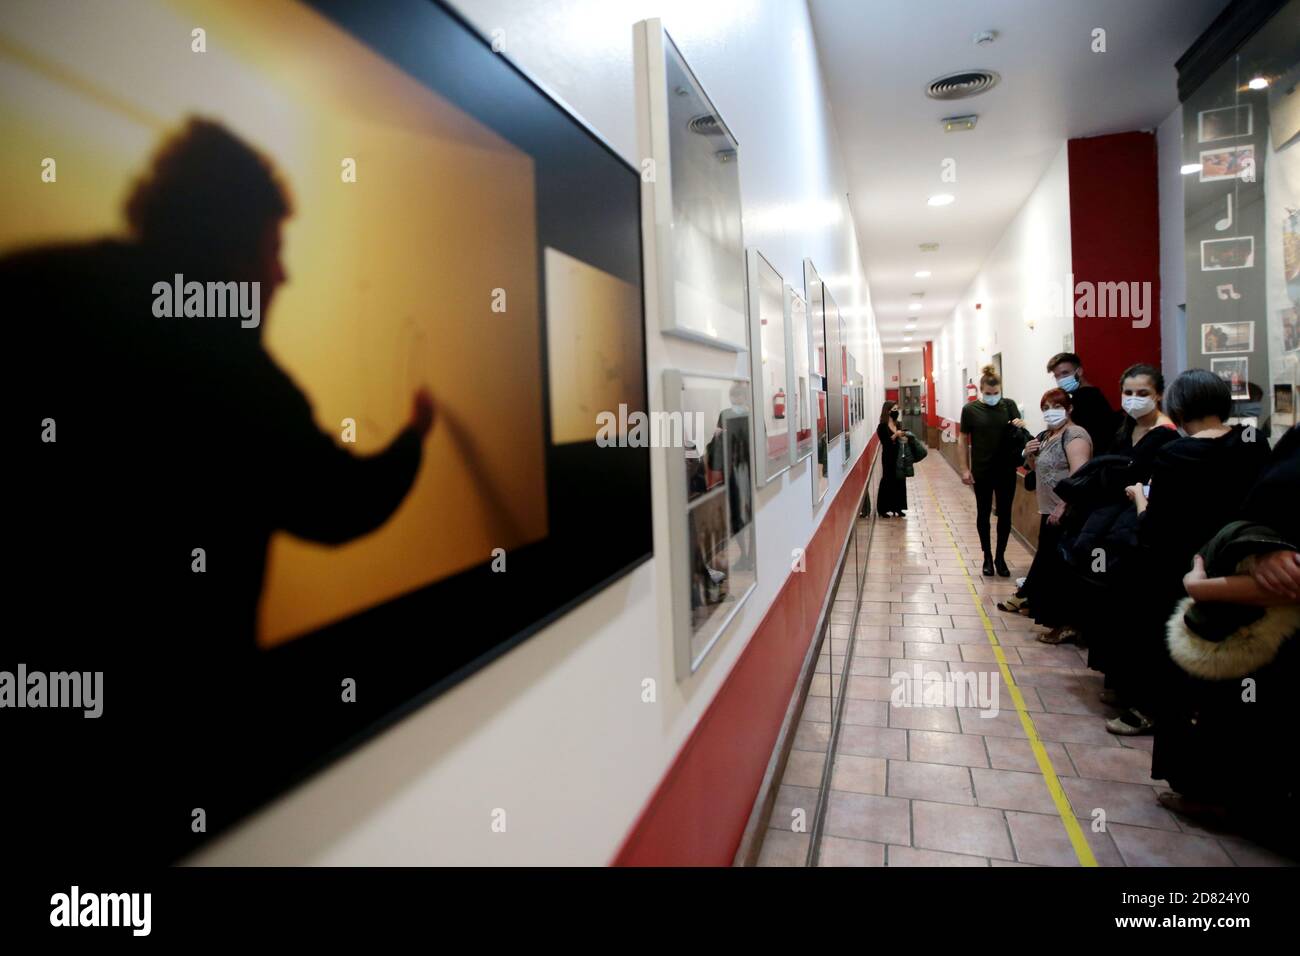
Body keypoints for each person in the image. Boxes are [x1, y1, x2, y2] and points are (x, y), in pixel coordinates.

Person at [5, 118, 437, 863]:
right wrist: (414, 436)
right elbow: (340, 504)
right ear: (227, 241)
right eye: (272, 249)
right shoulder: (233, 372)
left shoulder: (33, 288)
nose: (282, 275)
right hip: (166, 752)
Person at [1104, 369, 1272, 735]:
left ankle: (1151, 710)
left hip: (1177, 563)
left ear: (1176, 405)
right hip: (1235, 562)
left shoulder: (1177, 453)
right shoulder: (1252, 441)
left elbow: (1154, 527)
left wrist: (1140, 499)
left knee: (1166, 641)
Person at [1152, 425, 1299, 841]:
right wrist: (1256, 547)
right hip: (1247, 617)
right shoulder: (1288, 444)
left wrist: (1202, 586)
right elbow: (1250, 512)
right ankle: (1227, 797)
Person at [1021, 388, 1092, 643]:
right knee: (1051, 567)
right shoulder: (1049, 436)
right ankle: (1058, 621)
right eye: (1046, 408)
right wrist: (1030, 455)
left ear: (1069, 408)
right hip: (1048, 510)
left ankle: (1068, 624)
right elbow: (1038, 470)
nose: (1050, 412)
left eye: (1056, 406)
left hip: (1066, 513)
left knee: (1062, 569)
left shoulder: (1075, 435)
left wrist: (1064, 505)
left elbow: (1079, 474)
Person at [958, 364, 1027, 577]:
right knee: (983, 513)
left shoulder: (1009, 406)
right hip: (982, 469)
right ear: (981, 390)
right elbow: (962, 439)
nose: (992, 397)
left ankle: (1000, 557)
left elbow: (1021, 433)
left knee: (1005, 514)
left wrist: (1021, 423)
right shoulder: (970, 410)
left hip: (1006, 469)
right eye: (988, 394)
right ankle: (987, 556)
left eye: (996, 393)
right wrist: (964, 469)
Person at [1047, 351, 1117, 453]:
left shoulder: (1087, 397)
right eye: (1057, 376)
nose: (1061, 379)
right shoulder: (1077, 396)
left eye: (1065, 373)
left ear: (1079, 371)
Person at [876, 400, 908, 517]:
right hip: (888, 457)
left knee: (899, 480)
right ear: (888, 411)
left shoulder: (898, 424)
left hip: (899, 456)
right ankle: (883, 509)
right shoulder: (882, 427)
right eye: (894, 410)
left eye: (897, 410)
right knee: (887, 480)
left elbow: (901, 440)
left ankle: (898, 507)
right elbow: (886, 442)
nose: (896, 412)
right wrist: (895, 435)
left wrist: (903, 435)